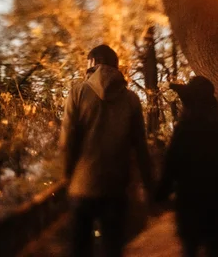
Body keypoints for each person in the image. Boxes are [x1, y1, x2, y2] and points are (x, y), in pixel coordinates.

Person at [60, 44, 153, 257]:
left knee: (79, 249)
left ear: (91, 64)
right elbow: (140, 147)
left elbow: (67, 142)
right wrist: (149, 184)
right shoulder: (131, 99)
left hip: (82, 187)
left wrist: (67, 177)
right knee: (113, 248)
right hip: (115, 187)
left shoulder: (77, 92)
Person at [156, 76, 218, 257]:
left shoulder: (185, 130)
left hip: (190, 204)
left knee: (191, 249)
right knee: (214, 250)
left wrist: (160, 193)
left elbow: (172, 164)